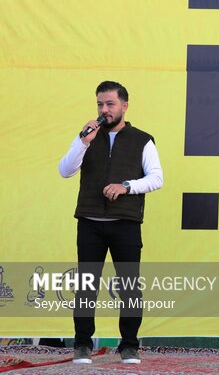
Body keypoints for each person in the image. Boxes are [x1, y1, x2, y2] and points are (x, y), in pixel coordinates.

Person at [59, 81, 163, 365]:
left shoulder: (142, 139)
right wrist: (83, 143)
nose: (104, 110)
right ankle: (82, 345)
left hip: (125, 223)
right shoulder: (86, 137)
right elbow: (65, 170)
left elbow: (157, 178)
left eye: (110, 104)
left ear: (124, 106)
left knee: (129, 285)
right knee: (85, 285)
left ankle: (129, 345)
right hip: (90, 222)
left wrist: (127, 186)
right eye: (100, 104)